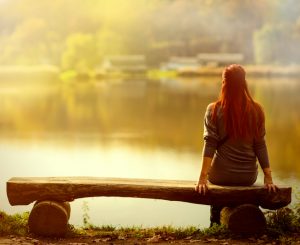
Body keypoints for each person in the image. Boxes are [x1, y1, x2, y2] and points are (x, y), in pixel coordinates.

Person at [194, 64, 277, 225]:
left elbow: (210, 144)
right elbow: (260, 145)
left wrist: (202, 178)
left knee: (214, 180)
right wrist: (268, 177)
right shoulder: (257, 110)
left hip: (220, 177)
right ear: (244, 83)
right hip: (247, 177)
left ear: (224, 83)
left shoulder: (213, 109)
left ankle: (215, 222)